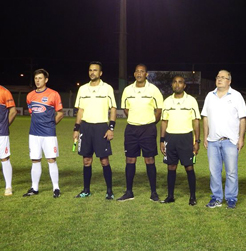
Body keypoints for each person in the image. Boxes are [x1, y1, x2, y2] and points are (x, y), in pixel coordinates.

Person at [201, 70, 246, 209]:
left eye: (223, 77)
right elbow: (205, 117)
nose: (219, 79)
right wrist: (205, 136)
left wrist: (241, 138)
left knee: (231, 172)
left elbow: (243, 118)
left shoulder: (236, 96)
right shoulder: (210, 96)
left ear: (229, 81)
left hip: (230, 141)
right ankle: (216, 198)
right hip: (213, 141)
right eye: (218, 77)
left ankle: (231, 198)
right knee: (214, 172)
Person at [117, 64, 163, 202]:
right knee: (130, 159)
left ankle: (153, 192)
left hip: (148, 129)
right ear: (134, 73)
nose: (139, 73)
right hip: (131, 129)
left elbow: (159, 110)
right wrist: (135, 119)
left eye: (142, 71)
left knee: (149, 159)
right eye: (137, 71)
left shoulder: (153, 90)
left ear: (146, 74)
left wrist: (149, 122)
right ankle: (129, 192)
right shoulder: (127, 90)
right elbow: (126, 109)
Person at [73, 61, 117, 199]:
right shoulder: (83, 89)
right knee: (86, 160)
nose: (92, 72)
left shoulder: (107, 88)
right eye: (90, 70)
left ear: (100, 73)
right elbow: (80, 110)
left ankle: (109, 191)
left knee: (104, 161)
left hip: (101, 127)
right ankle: (86, 190)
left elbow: (113, 108)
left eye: (95, 70)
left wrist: (111, 128)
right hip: (86, 127)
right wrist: (76, 128)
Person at [159, 75, 200, 205]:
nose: (177, 85)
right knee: (171, 167)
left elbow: (196, 122)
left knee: (189, 167)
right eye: (175, 82)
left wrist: (197, 141)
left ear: (184, 85)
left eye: (180, 82)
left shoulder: (191, 101)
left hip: (186, 138)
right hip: (170, 138)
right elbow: (164, 122)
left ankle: (192, 197)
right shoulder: (167, 101)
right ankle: (170, 196)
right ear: (172, 85)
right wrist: (162, 140)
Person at [23, 69, 64, 198]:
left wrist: (51, 125)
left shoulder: (54, 94)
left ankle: (56, 188)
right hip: (34, 133)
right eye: (36, 78)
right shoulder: (30, 96)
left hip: (48, 134)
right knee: (35, 160)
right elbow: (32, 113)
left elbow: (60, 113)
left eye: (40, 78)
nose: (38, 81)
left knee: (51, 159)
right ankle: (34, 188)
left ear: (46, 80)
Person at [0, 85, 17, 196]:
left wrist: (5, 125)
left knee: (4, 158)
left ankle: (8, 186)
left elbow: (13, 111)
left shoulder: (4, 92)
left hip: (1, 132)